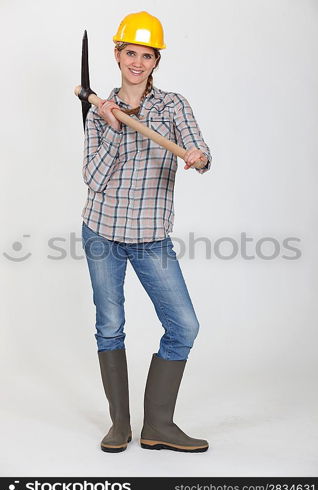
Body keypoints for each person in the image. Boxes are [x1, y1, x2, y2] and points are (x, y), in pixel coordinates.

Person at [81, 11, 212, 453]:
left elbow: (198, 146)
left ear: (157, 61)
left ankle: (158, 425)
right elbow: (93, 178)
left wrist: (198, 156)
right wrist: (114, 128)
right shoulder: (99, 112)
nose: (137, 62)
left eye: (147, 55)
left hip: (151, 235)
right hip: (102, 233)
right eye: (130, 52)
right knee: (110, 326)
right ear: (117, 54)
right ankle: (120, 425)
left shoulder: (173, 106)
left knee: (184, 327)